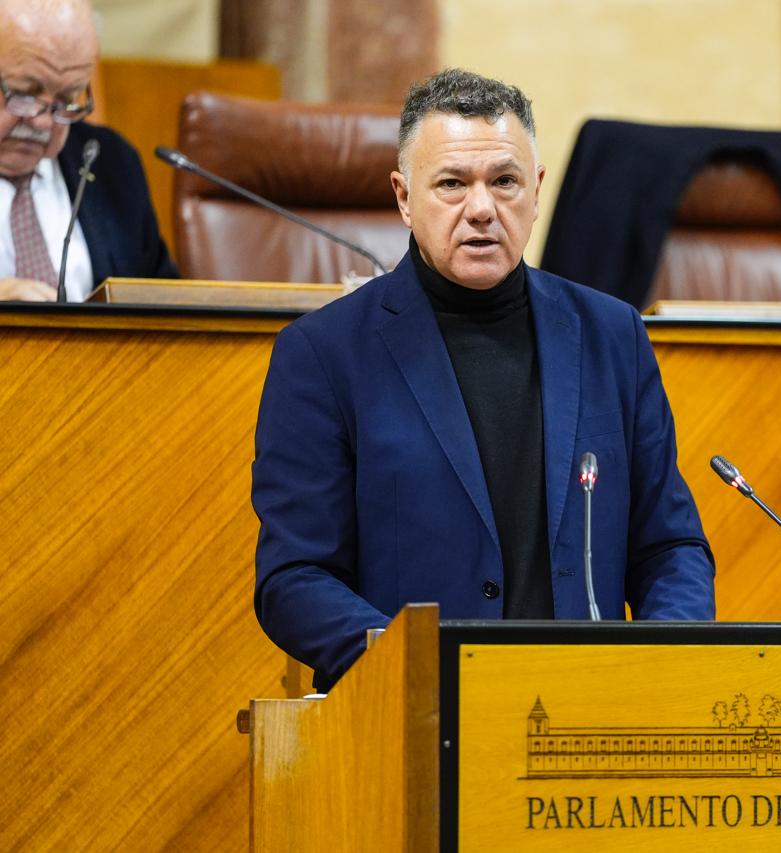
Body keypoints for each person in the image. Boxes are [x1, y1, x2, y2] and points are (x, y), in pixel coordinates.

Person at [252, 68, 716, 692]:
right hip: (413, 717)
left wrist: (658, 664)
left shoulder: (613, 336)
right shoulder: (324, 354)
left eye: (504, 182)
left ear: (537, 190)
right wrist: (418, 669)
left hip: (588, 708)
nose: (481, 209)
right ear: (403, 196)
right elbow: (295, 577)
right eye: (451, 183)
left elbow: (670, 548)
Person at [0, 0, 176, 303]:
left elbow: (165, 310)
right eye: (25, 93)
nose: (42, 121)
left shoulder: (111, 162)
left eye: (66, 100)